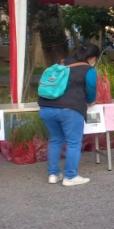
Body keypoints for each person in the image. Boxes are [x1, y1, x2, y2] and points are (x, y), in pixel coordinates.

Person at [38, 43, 100, 186]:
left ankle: (53, 174)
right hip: (70, 110)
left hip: (46, 107)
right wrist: (90, 100)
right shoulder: (88, 70)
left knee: (55, 140)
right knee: (73, 143)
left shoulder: (60, 64)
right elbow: (91, 90)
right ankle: (70, 176)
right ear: (91, 58)